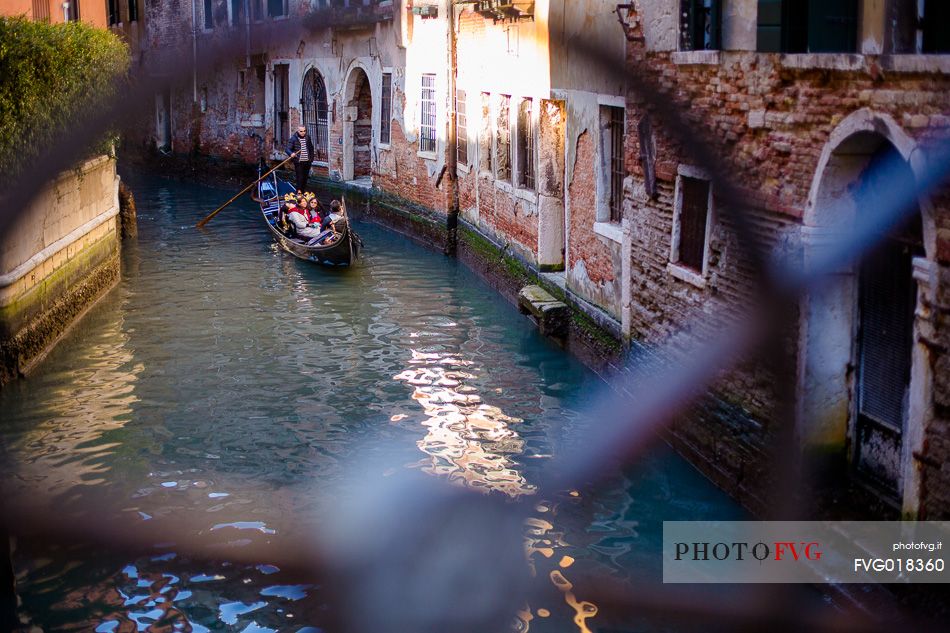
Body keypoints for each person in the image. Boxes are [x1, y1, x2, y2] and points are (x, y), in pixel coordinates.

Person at [286, 126, 315, 194]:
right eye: (301, 131)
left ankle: (303, 193)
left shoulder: (307, 138)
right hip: (299, 162)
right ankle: (298, 194)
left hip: (307, 162)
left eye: (304, 131)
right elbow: (287, 149)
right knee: (300, 178)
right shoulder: (293, 139)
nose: (303, 133)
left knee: (305, 179)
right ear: (298, 131)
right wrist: (291, 153)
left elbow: (311, 148)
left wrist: (311, 159)